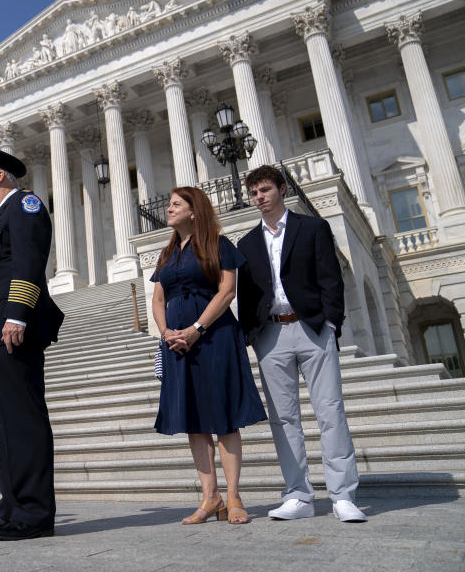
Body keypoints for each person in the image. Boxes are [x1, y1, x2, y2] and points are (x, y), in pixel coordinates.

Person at [237, 165, 367, 522]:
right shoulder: (246, 243)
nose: (259, 197)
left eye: (264, 190)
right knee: (283, 420)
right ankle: (298, 496)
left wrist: (330, 322)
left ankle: (342, 495)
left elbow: (331, 277)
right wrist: (251, 334)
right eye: (254, 193)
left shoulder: (312, 228)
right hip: (271, 336)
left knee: (330, 412)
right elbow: (246, 294)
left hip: (312, 328)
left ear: (281, 189)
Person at [0, 146, 64, 541]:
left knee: (23, 421)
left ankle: (34, 513)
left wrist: (18, 312)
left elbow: (28, 262)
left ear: (0, 175)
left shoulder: (26, 205)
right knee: (5, 424)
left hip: (11, 326)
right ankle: (12, 508)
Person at [150, 186, 266, 525]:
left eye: (175, 204)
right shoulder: (167, 253)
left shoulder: (219, 244)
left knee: (224, 417)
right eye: (169, 204)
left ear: (194, 211)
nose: (168, 209)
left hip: (214, 336)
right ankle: (209, 497)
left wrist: (196, 329)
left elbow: (227, 290)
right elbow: (158, 299)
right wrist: (166, 332)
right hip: (176, 342)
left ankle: (233, 496)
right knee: (194, 421)